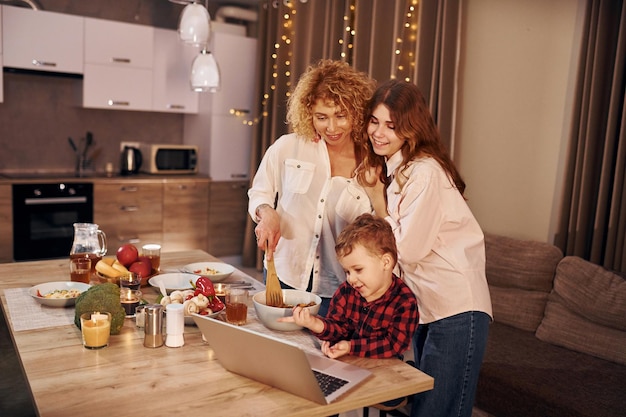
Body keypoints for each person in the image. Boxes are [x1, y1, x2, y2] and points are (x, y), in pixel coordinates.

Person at [356, 79, 493, 417]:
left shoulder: (425, 173)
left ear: (410, 127)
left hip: (457, 309)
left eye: (391, 125)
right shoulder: (399, 171)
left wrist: (376, 201)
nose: (379, 132)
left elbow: (406, 250)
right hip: (429, 307)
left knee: (438, 411)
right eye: (374, 121)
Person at [248, 59, 375, 317]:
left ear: (357, 112)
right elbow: (259, 192)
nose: (332, 127)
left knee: (326, 356)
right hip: (284, 276)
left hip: (338, 287)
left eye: (341, 116)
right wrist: (265, 212)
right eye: (321, 117)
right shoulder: (288, 147)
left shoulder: (371, 162)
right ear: (309, 114)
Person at [279, 213, 419, 360]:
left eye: (358, 270)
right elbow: (338, 329)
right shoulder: (346, 292)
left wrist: (350, 347)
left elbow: (393, 345)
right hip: (348, 365)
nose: (351, 279)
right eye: (347, 271)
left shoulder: (405, 302)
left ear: (385, 262)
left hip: (385, 372)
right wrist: (313, 323)